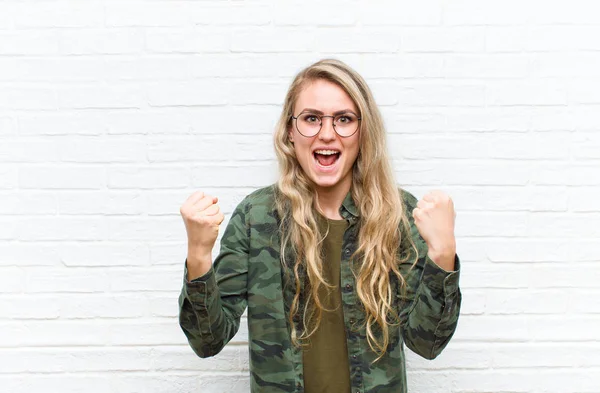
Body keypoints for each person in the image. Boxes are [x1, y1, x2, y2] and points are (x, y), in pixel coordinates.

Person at [178, 58, 462, 393]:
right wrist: (198, 255)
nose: (327, 134)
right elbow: (207, 340)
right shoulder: (255, 218)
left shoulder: (400, 216)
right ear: (290, 130)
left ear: (363, 131)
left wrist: (443, 255)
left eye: (344, 119)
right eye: (311, 118)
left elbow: (426, 343)